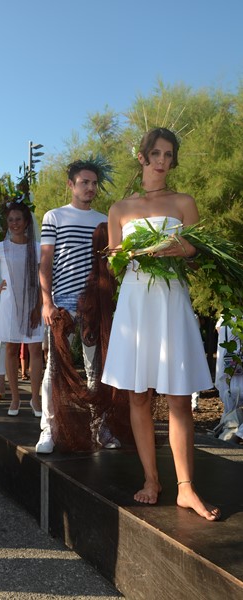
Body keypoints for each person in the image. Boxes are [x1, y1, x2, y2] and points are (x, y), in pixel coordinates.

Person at [102, 127, 219, 521]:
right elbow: (114, 260)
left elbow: (197, 252)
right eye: (156, 153)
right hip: (136, 302)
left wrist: (177, 247)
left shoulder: (184, 202)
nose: (162, 161)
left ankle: (186, 488)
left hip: (171, 300)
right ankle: (152, 479)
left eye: (169, 155)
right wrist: (123, 254)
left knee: (178, 396)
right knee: (138, 395)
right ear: (142, 156)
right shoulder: (119, 209)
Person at [35, 159, 108, 453]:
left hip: (93, 306)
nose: (90, 188)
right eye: (84, 182)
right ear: (71, 184)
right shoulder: (54, 216)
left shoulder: (104, 219)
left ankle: (99, 428)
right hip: (62, 306)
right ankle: (48, 431)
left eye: (93, 183)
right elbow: (46, 262)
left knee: (98, 370)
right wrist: (46, 302)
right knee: (54, 369)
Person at [0, 201, 43, 416]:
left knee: (35, 350)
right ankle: (15, 399)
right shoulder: (1, 247)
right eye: (11, 220)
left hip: (33, 304)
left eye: (18, 219)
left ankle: (35, 399)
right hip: (9, 305)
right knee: (11, 350)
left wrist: (38, 307)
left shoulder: (37, 247)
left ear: (26, 222)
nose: (14, 223)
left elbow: (44, 280)